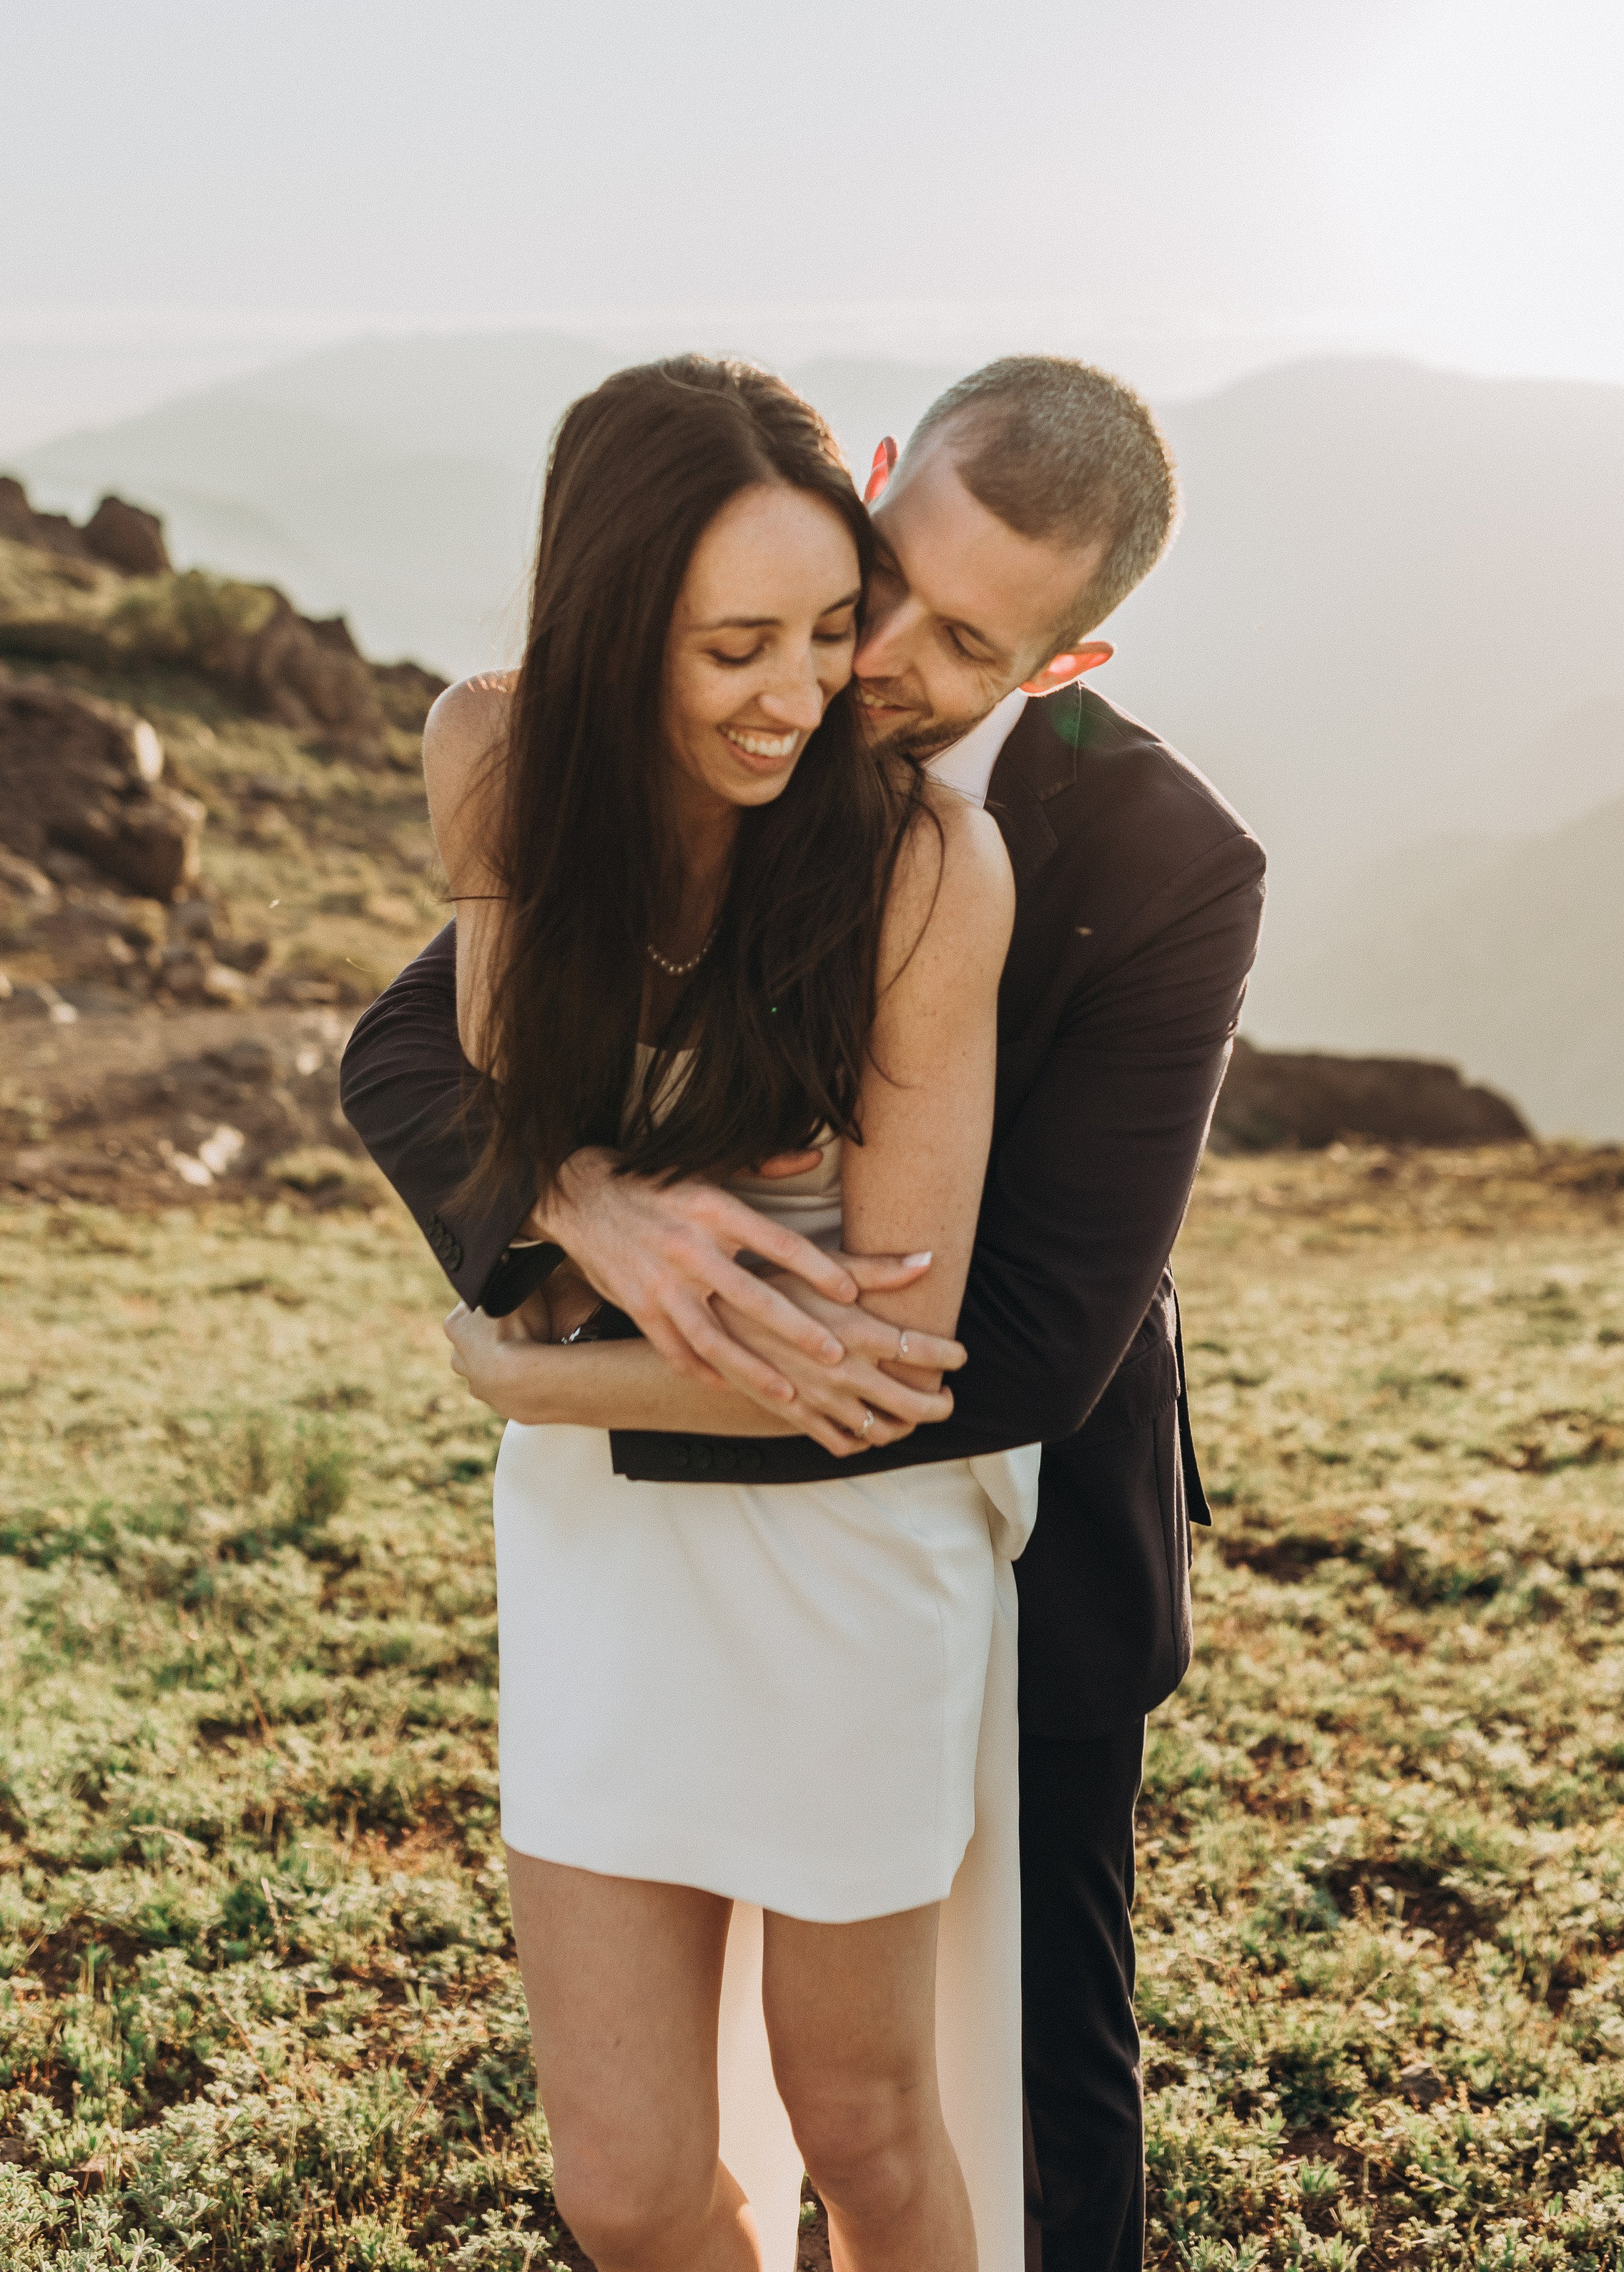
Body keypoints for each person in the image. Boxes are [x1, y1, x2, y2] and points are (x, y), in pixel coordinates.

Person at [342, 353, 1268, 2272]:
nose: (871, 665)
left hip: (1013, 1492)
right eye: (881, 586)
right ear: (862, 486)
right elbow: (414, 1054)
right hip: (661, 1505)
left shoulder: (1159, 863)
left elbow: (1021, 1345)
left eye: (963, 643)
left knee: (1022, 2091)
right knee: (644, 2147)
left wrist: (538, 1379)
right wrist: (586, 1206)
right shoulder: (714, 706)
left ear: (1063, 671)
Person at [406, 352, 1035, 2272]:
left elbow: (882, 1377)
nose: (805, 695)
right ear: (609, 637)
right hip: (607, 1556)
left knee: (866, 2129)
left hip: (844, 1553)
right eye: (733, 646)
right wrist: (590, 1207)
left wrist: (516, 1367)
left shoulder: (927, 865)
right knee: (617, 2179)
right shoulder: (494, 760)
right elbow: (526, 1126)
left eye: (831, 631)